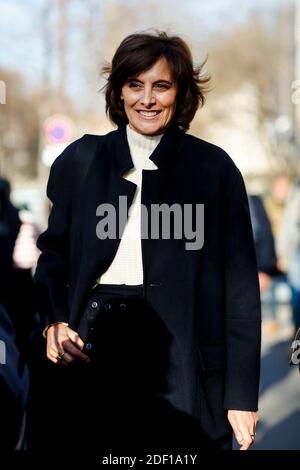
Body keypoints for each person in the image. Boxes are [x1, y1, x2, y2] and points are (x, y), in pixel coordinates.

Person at [31, 31, 261, 451]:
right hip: (91, 350)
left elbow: (241, 290)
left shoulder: (214, 170)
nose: (147, 99)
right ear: (118, 92)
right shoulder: (81, 162)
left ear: (180, 92)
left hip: (185, 362)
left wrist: (241, 395)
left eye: (161, 85)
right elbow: (53, 258)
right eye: (135, 85)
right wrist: (53, 321)